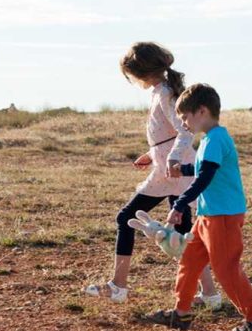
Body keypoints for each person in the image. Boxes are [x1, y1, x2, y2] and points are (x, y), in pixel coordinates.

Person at [84, 42, 221, 308]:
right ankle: (210, 295)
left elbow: (185, 131)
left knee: (128, 218)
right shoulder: (162, 91)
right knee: (181, 233)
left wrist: (171, 158)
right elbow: (168, 135)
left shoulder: (165, 94)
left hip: (172, 171)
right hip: (169, 169)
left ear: (139, 73)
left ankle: (118, 287)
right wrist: (152, 154)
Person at [144, 83, 252, 331]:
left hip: (222, 216)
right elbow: (204, 170)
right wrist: (183, 170)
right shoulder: (210, 140)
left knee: (226, 270)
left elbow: (205, 179)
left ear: (201, 111)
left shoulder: (216, 139)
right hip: (208, 215)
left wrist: (179, 204)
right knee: (189, 261)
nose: (183, 122)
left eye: (184, 117)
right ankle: (181, 313)